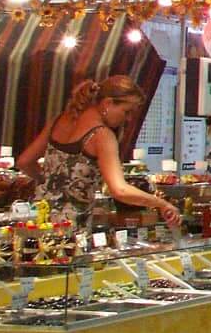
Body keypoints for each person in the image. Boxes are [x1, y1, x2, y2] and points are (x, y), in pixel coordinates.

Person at [18, 76, 181, 228]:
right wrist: (162, 203)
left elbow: (24, 162)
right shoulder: (102, 135)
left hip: (40, 221)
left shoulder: (59, 120)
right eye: (127, 111)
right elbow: (120, 190)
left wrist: (48, 181)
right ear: (108, 103)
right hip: (70, 229)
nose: (129, 119)